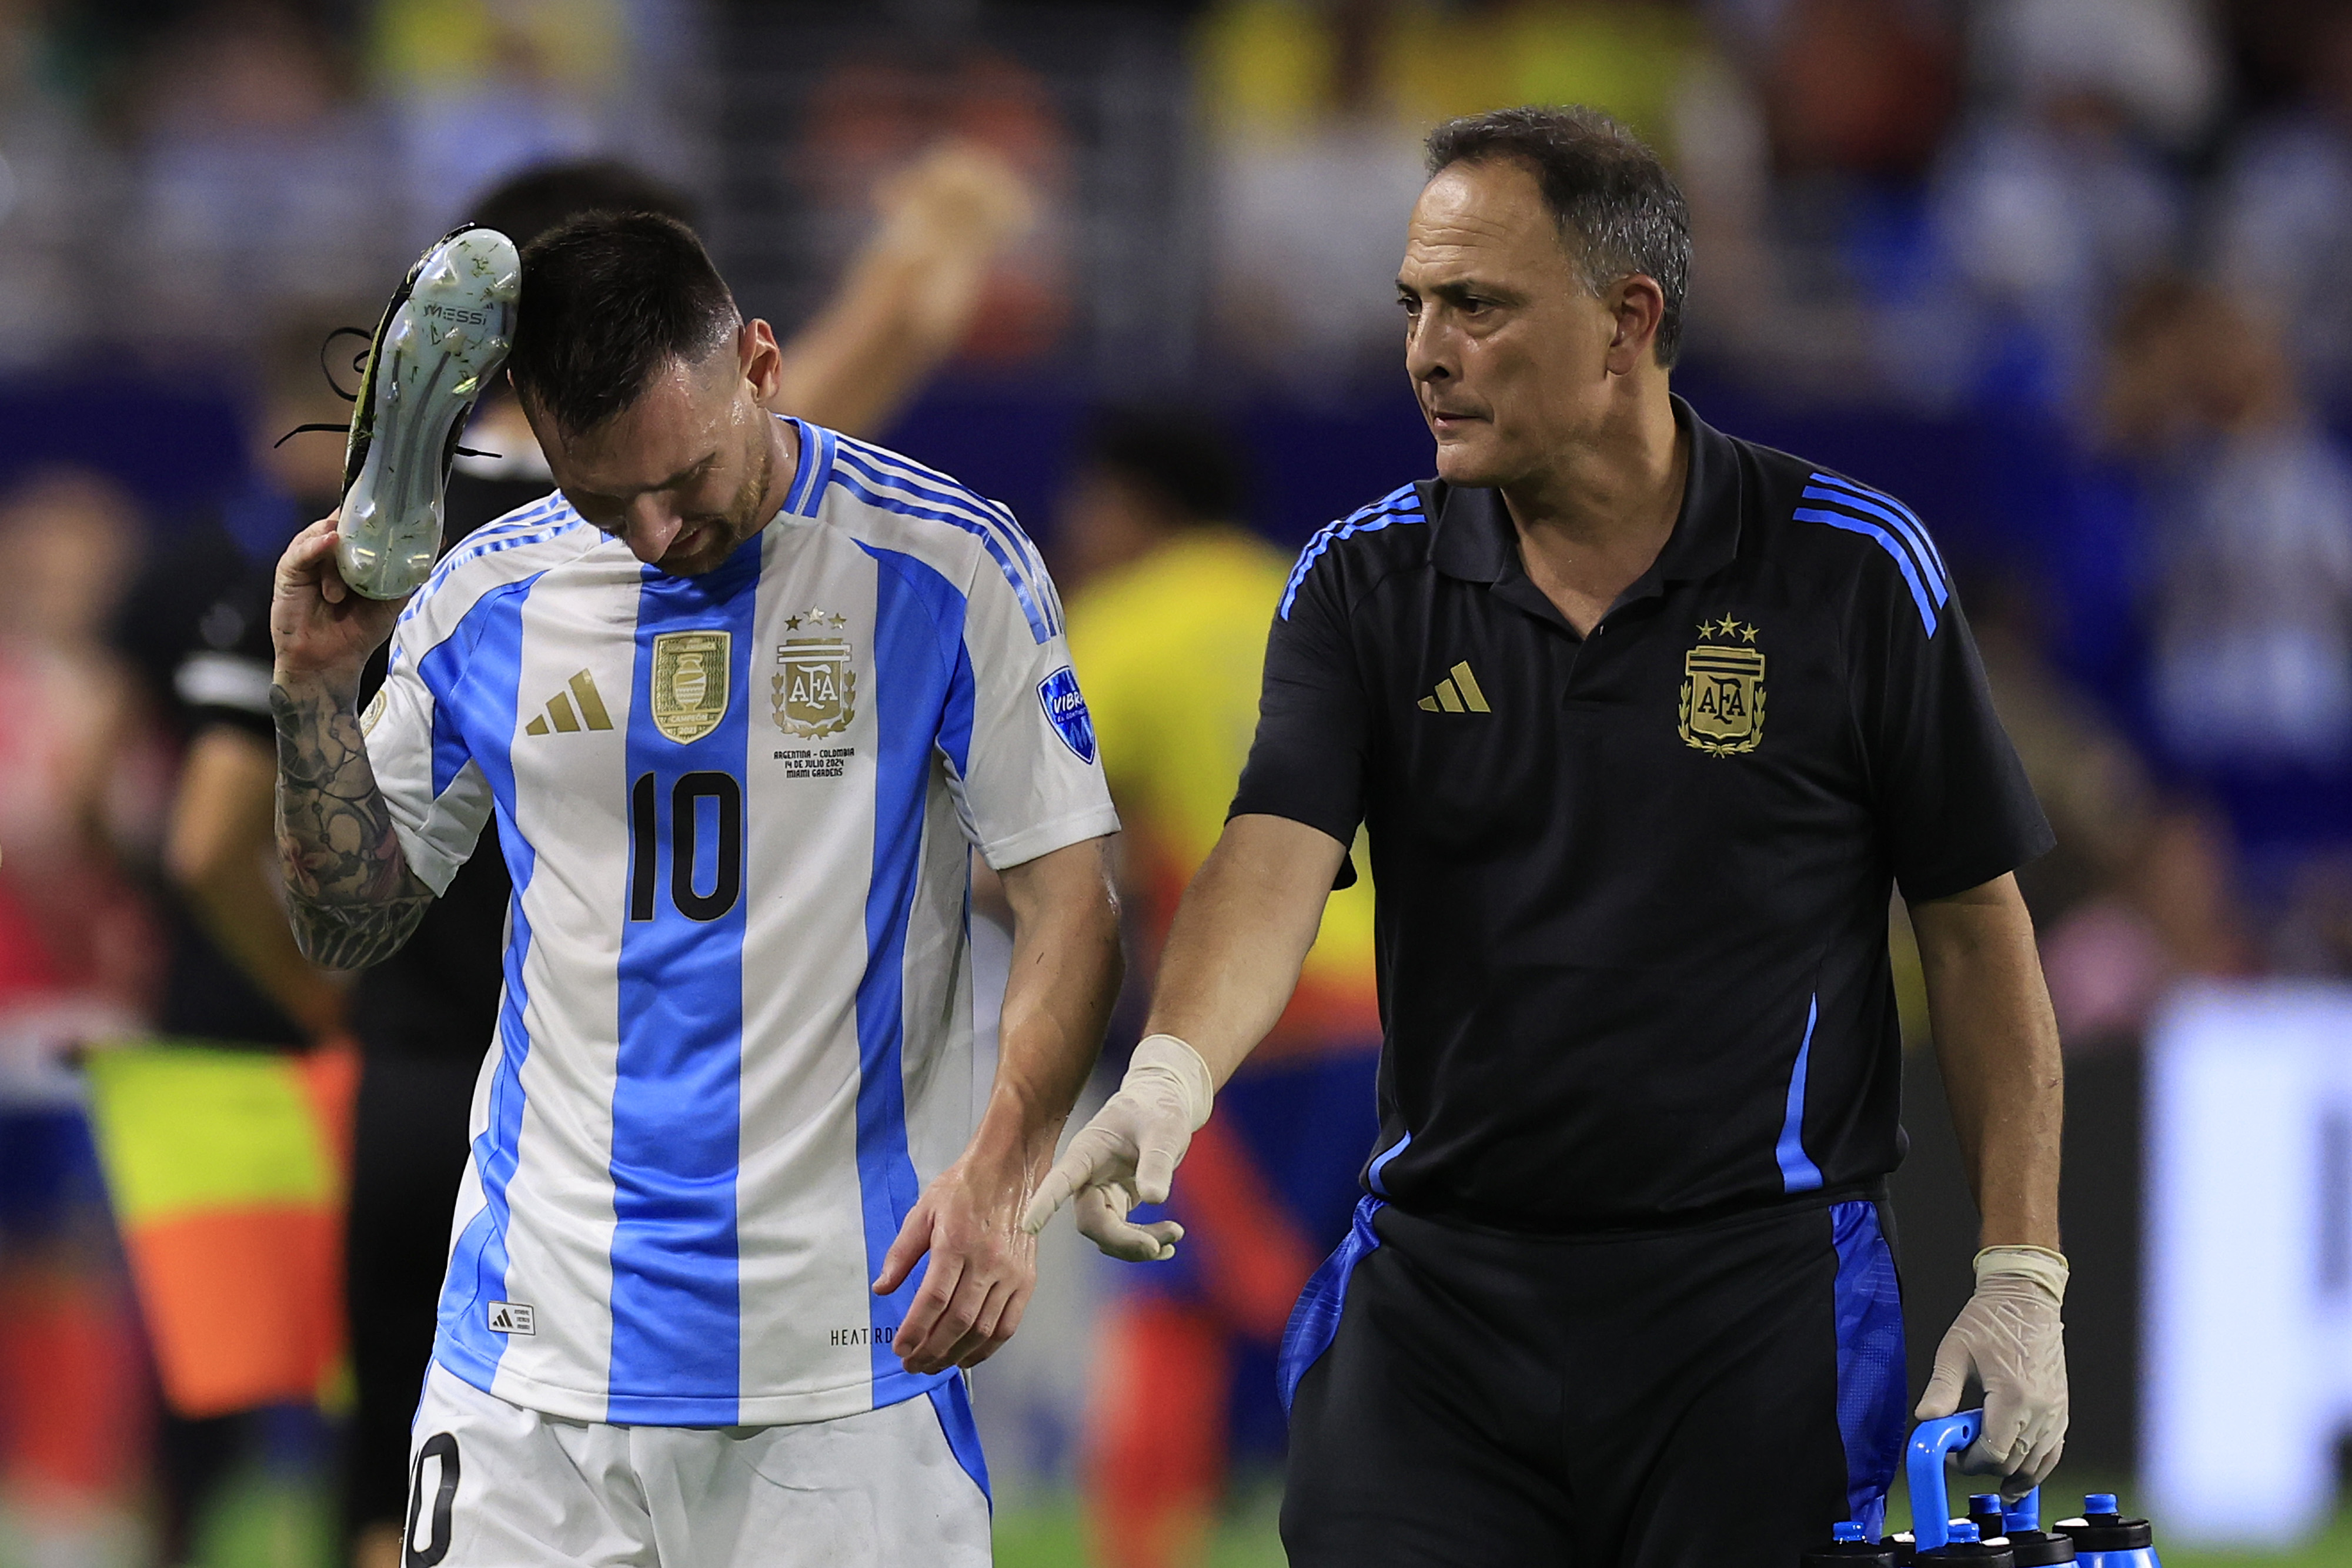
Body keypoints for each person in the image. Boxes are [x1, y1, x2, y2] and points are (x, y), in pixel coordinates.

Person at [1028, 105, 2069, 1563]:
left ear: (1624, 322)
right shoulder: (1363, 580)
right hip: (1443, 1298)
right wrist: (1166, 1072)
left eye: (1477, 305)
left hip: (1751, 1305)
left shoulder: (1847, 567)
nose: (1424, 349)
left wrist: (2019, 1272)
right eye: (1412, 305)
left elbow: (1975, 929)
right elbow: (1269, 852)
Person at [268, 210, 1120, 1566]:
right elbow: (346, 918)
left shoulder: (946, 563)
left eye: (686, 476)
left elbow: (1072, 894)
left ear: (763, 366)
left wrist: (1004, 1165)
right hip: (526, 1370)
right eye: (607, 501)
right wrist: (314, 692)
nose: (659, 531)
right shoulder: (487, 593)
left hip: (836, 1370)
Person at [1056, 409, 1380, 1568]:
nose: (1077, 527)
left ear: (1133, 502)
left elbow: (1026, 840)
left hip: (1248, 1024)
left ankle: (1137, 1552)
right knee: (1370, 1302)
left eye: (1089, 502)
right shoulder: (1315, 594)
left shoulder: (1125, 622)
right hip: (1395, 1015)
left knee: (1167, 1295)